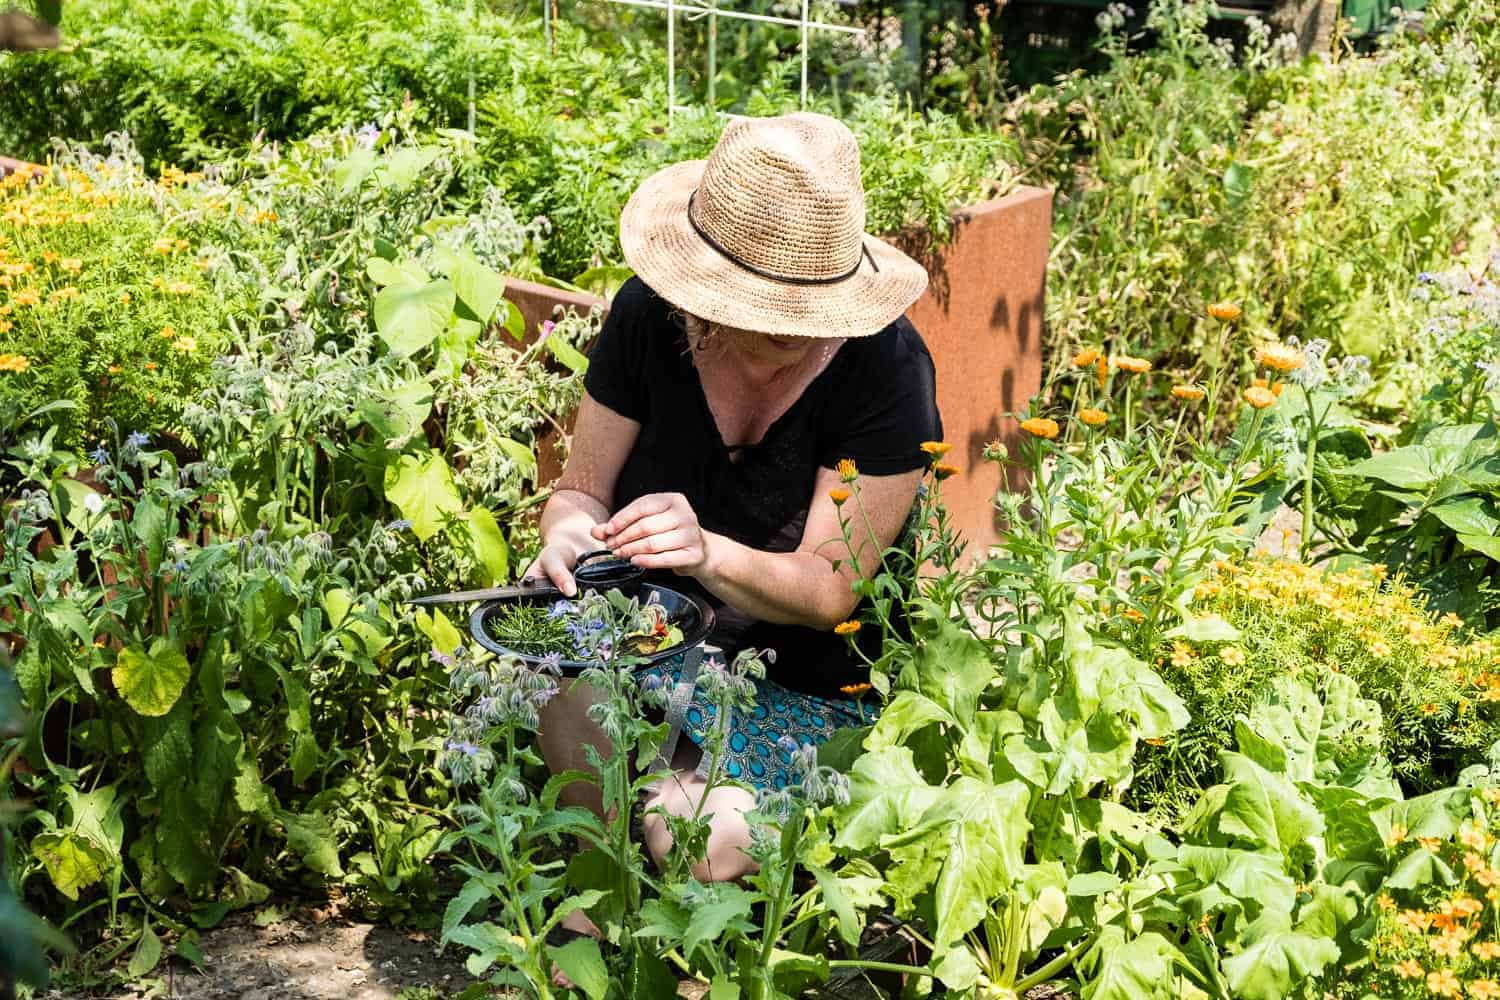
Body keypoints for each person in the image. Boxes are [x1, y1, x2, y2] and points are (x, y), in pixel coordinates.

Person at [526, 111, 942, 896]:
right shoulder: (648, 318)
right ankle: (599, 872)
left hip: (806, 686)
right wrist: (570, 541)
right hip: (647, 644)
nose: (799, 332)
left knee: (697, 843)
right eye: (774, 314)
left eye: (811, 314)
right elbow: (580, 491)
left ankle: (659, 807)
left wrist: (707, 553)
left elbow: (831, 588)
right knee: (558, 646)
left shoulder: (886, 368)